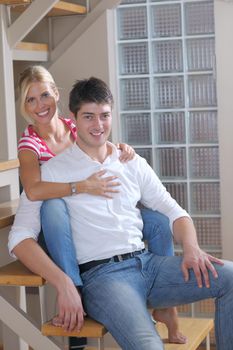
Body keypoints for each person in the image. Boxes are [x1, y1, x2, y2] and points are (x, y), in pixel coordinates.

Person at [9, 76, 233, 349]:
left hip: (148, 265)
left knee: (230, 279)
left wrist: (191, 247)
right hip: (104, 278)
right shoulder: (54, 172)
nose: (98, 125)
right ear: (74, 119)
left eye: (104, 116)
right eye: (89, 117)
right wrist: (64, 282)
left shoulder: (130, 161)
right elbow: (19, 238)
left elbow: (173, 210)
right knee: (149, 346)